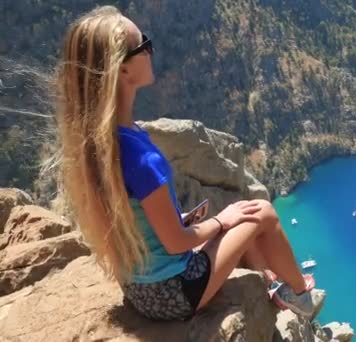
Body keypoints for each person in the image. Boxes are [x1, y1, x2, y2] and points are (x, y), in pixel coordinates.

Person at [54, 5, 314, 321]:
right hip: (174, 294)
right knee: (262, 213)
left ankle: (268, 285)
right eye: (144, 44)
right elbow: (176, 243)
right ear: (122, 70)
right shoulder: (141, 157)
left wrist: (185, 219)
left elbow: (139, 217)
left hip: (139, 290)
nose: (151, 50)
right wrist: (220, 221)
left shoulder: (104, 142)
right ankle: (301, 294)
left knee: (240, 220)